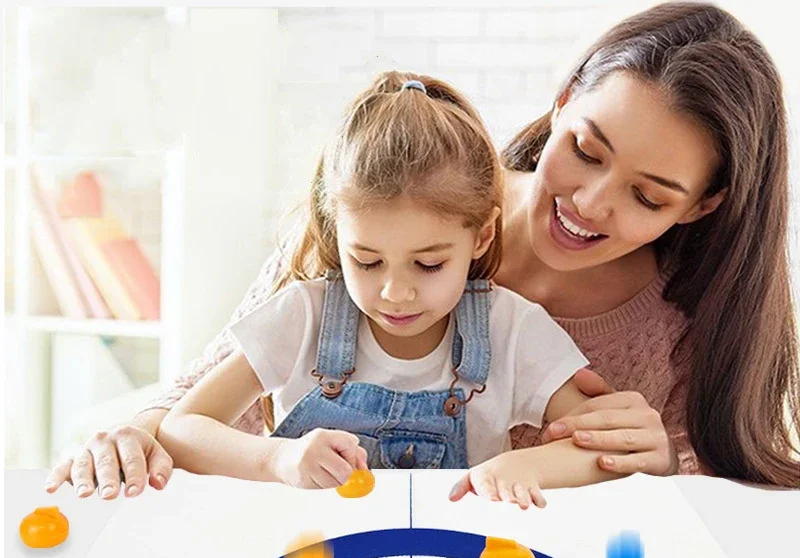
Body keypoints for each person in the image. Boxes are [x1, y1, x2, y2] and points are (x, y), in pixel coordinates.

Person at [45, 2, 799, 501]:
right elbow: (202, 405)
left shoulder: (676, 326)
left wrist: (658, 461)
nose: (592, 203)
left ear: (703, 205)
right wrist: (135, 435)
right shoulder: (393, 203)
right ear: (564, 100)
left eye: (648, 196)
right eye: (586, 149)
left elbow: (718, 501)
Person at [155, 73, 620, 509]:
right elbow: (181, 429)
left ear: (480, 237)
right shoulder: (303, 317)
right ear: (337, 234)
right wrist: (276, 459)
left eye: (429, 264)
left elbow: (599, 450)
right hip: (306, 557)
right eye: (367, 261)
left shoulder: (512, 330)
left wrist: (527, 463)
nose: (396, 293)